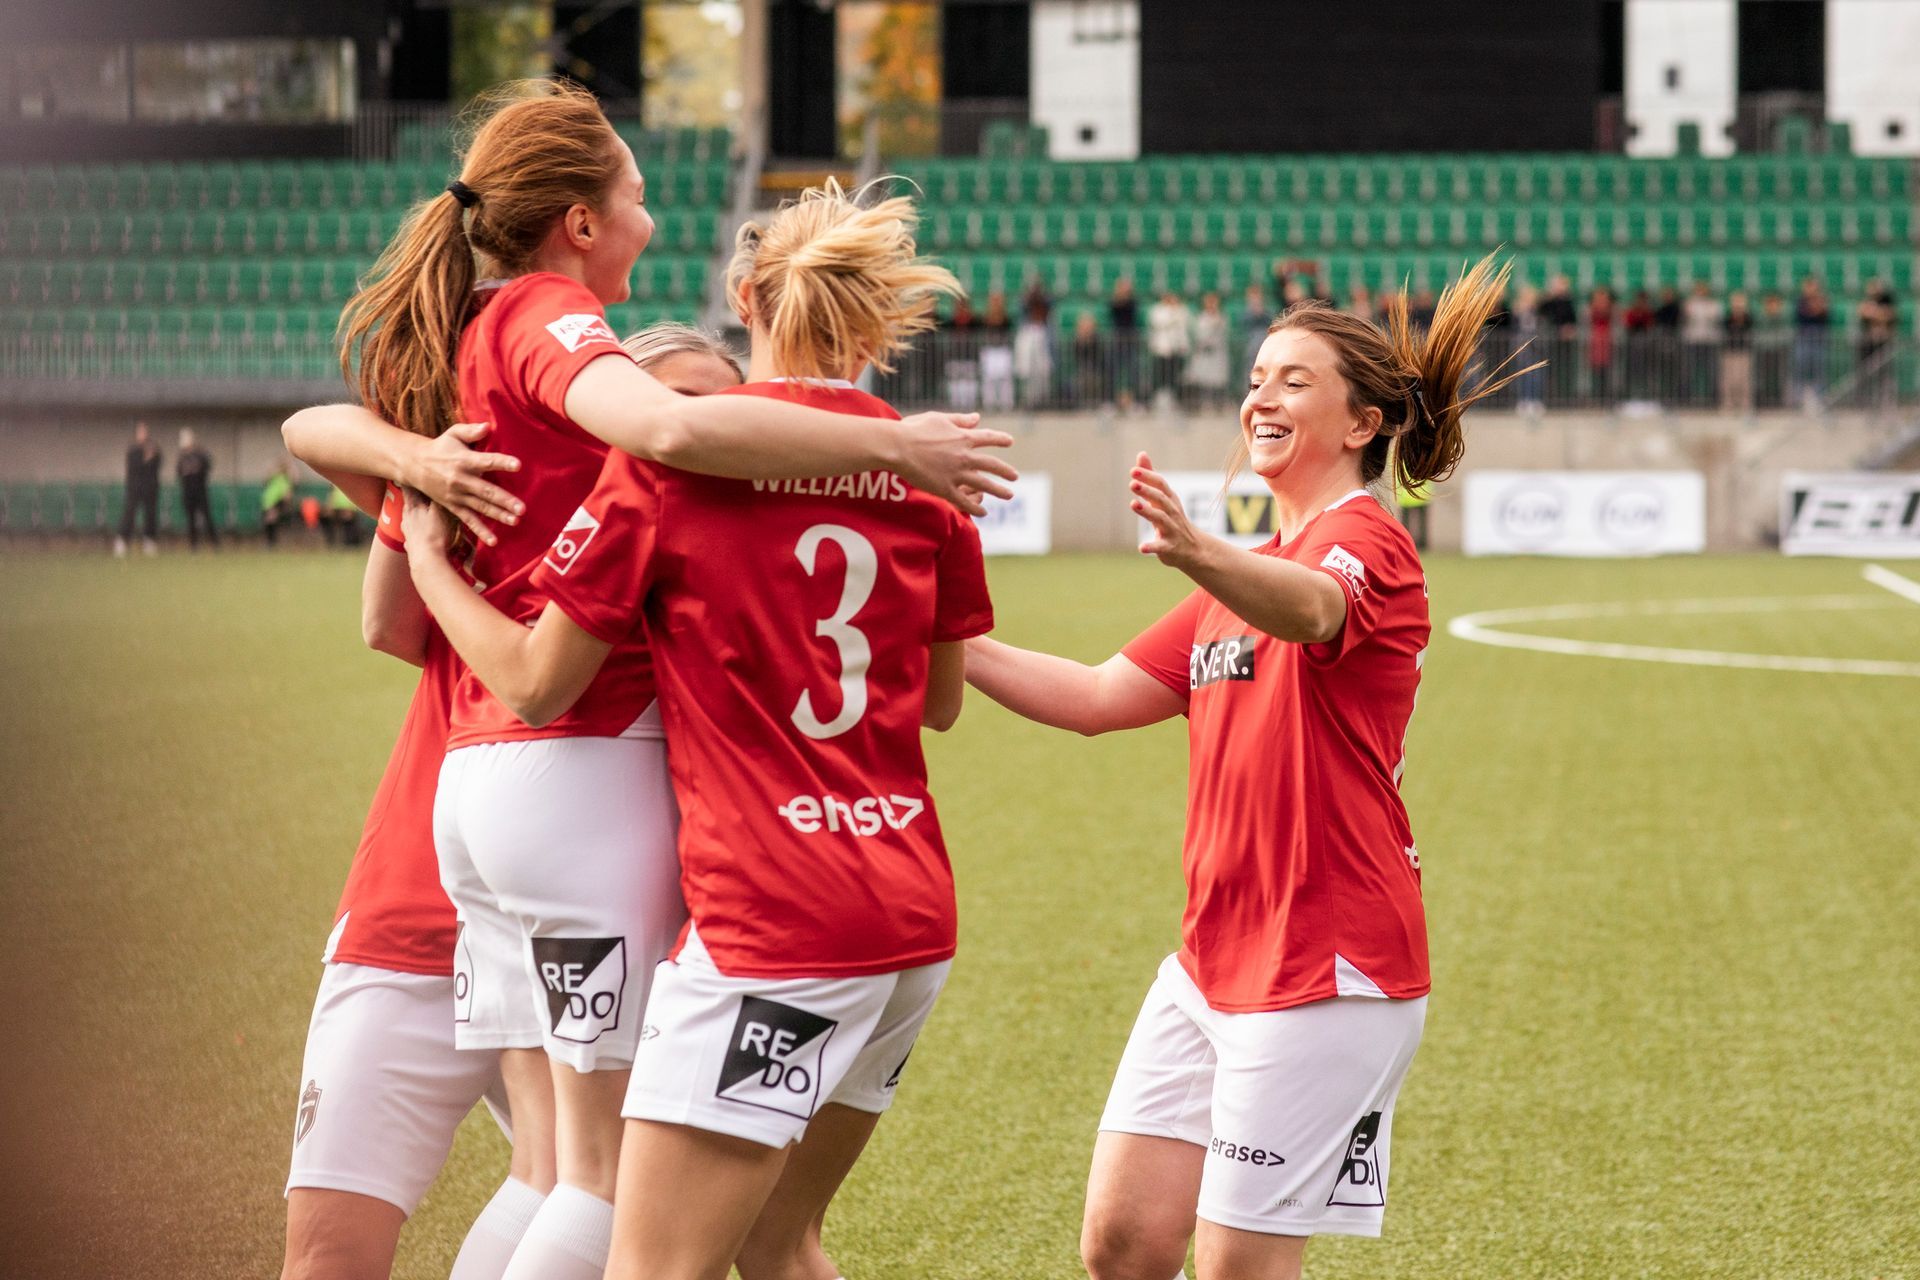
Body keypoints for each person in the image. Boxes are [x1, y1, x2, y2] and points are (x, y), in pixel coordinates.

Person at [276, 80, 1011, 1280]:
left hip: (488, 794)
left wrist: (415, 492)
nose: (652, 217)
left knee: (563, 1168)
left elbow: (381, 601)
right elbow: (932, 691)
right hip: (702, 825)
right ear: (578, 222)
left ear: (747, 300)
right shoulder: (608, 376)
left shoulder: (491, 359)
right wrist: (897, 441)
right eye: (637, 193)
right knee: (610, 1182)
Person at [965, 256, 1536, 1280]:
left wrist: (1202, 552)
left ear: (1361, 424)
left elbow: (1314, 611)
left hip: (1328, 965)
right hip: (1211, 957)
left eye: (1293, 381)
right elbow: (1095, 697)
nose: (1260, 397)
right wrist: (942, 631)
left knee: (1239, 1267)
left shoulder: (1368, 542)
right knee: (1124, 1243)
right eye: (1257, 377)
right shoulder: (1247, 574)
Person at [277, 323, 742, 1280]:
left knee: (563, 1175)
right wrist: (417, 463)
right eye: (669, 401)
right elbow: (317, 448)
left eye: (716, 409)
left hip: (554, 898)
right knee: (338, 1250)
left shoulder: (691, 527)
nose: (687, 424)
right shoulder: (525, 488)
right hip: (416, 909)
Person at [115, 421, 161, 557]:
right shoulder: (132, 449)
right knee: (129, 514)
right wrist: (146, 459)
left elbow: (157, 464)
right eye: (140, 432)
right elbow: (135, 466)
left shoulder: (154, 448)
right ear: (137, 434)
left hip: (150, 488)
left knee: (150, 515)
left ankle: (149, 542)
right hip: (134, 487)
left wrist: (149, 459)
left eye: (144, 431)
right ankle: (122, 541)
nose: (143, 434)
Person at [1147, 291, 1193, 409]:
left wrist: (1175, 312)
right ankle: (1159, 397)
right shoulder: (1157, 310)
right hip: (1161, 349)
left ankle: (1174, 397)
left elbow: (1185, 323)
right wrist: (1172, 316)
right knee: (1160, 374)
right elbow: (1158, 323)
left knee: (1175, 375)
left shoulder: (1181, 310)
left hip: (1177, 349)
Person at [1791, 276, 1831, 411]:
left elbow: (1825, 314)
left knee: (1819, 371)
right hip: (1803, 340)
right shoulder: (1799, 301)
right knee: (1800, 369)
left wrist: (1816, 308)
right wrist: (1815, 309)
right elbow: (1801, 316)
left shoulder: (1823, 299)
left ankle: (1820, 399)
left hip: (1819, 340)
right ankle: (1797, 400)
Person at [1185, 292, 1231, 408]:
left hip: (1217, 352)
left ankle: (1217, 402)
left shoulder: (1221, 317)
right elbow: (1199, 335)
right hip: (1204, 352)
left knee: (1217, 380)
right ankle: (1204, 402)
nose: (1212, 305)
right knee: (1203, 379)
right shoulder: (1201, 318)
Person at [176, 428, 217, 550]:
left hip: (200, 491)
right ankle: (193, 545)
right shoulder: (182, 457)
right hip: (188, 492)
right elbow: (179, 472)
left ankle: (215, 543)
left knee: (207, 517)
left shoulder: (201, 454)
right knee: (191, 519)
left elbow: (207, 467)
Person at [1721, 291, 1755, 414]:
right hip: (1730, 351)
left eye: (1740, 303)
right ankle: (1728, 403)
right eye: (1736, 303)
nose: (1738, 305)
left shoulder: (1748, 318)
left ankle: (1745, 403)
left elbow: (1749, 328)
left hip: (1744, 351)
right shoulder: (1728, 318)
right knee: (1728, 378)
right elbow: (1726, 328)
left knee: (1744, 378)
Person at [262, 460, 296, 548]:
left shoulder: (285, 480)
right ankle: (271, 542)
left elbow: (287, 494)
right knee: (269, 521)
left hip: (275, 502)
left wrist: (283, 503)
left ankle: (271, 542)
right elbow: (267, 477)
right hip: (268, 502)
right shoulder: (275, 477)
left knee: (270, 520)